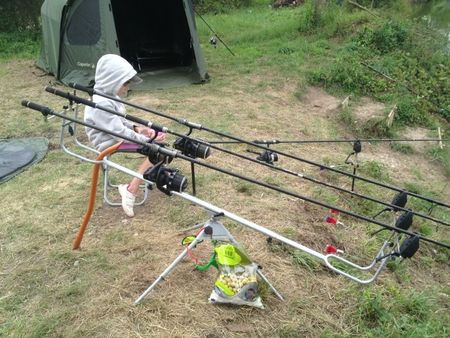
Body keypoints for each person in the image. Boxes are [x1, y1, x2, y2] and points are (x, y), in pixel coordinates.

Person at [84, 54, 165, 217]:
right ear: (112, 80)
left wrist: (138, 129)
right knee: (158, 150)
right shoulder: (101, 103)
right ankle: (131, 189)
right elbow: (119, 134)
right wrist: (148, 140)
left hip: (116, 137)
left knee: (161, 151)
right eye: (125, 82)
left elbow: (120, 123)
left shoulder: (109, 96)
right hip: (108, 143)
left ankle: (150, 177)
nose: (128, 87)